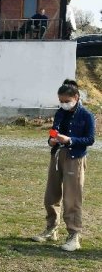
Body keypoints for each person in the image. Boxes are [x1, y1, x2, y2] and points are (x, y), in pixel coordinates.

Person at [32, 80, 95, 252]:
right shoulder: (60, 113)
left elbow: (90, 139)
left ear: (76, 97)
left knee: (72, 198)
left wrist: (71, 140)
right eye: (61, 101)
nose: (63, 104)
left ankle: (74, 235)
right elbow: (54, 131)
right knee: (51, 195)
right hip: (57, 155)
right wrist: (51, 140)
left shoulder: (86, 115)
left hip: (75, 158)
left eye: (66, 100)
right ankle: (51, 228)